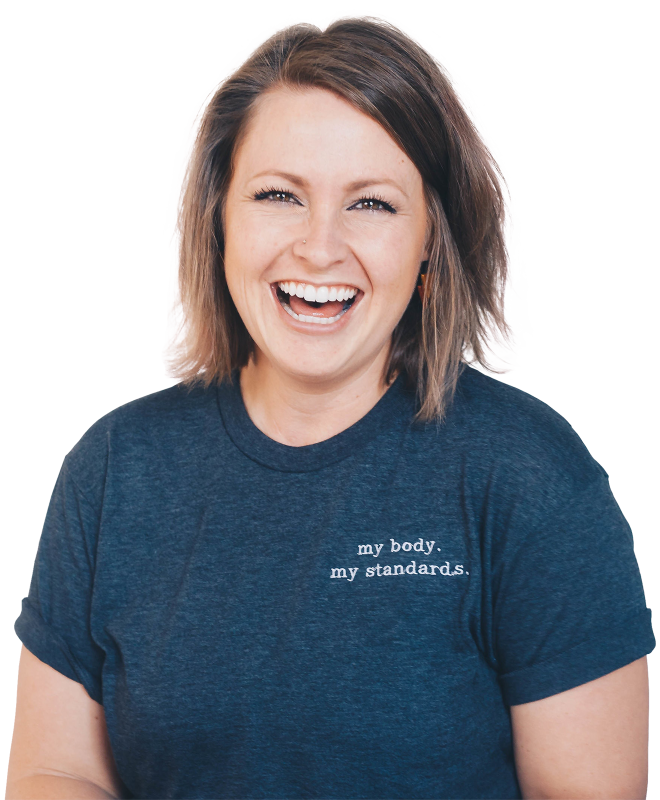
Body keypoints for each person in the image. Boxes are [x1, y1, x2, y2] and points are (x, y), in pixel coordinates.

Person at [5, 14, 654, 800]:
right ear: (219, 218)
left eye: (371, 204)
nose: (318, 247)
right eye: (279, 195)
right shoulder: (114, 470)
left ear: (431, 240)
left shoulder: (528, 476)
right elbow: (54, 772)